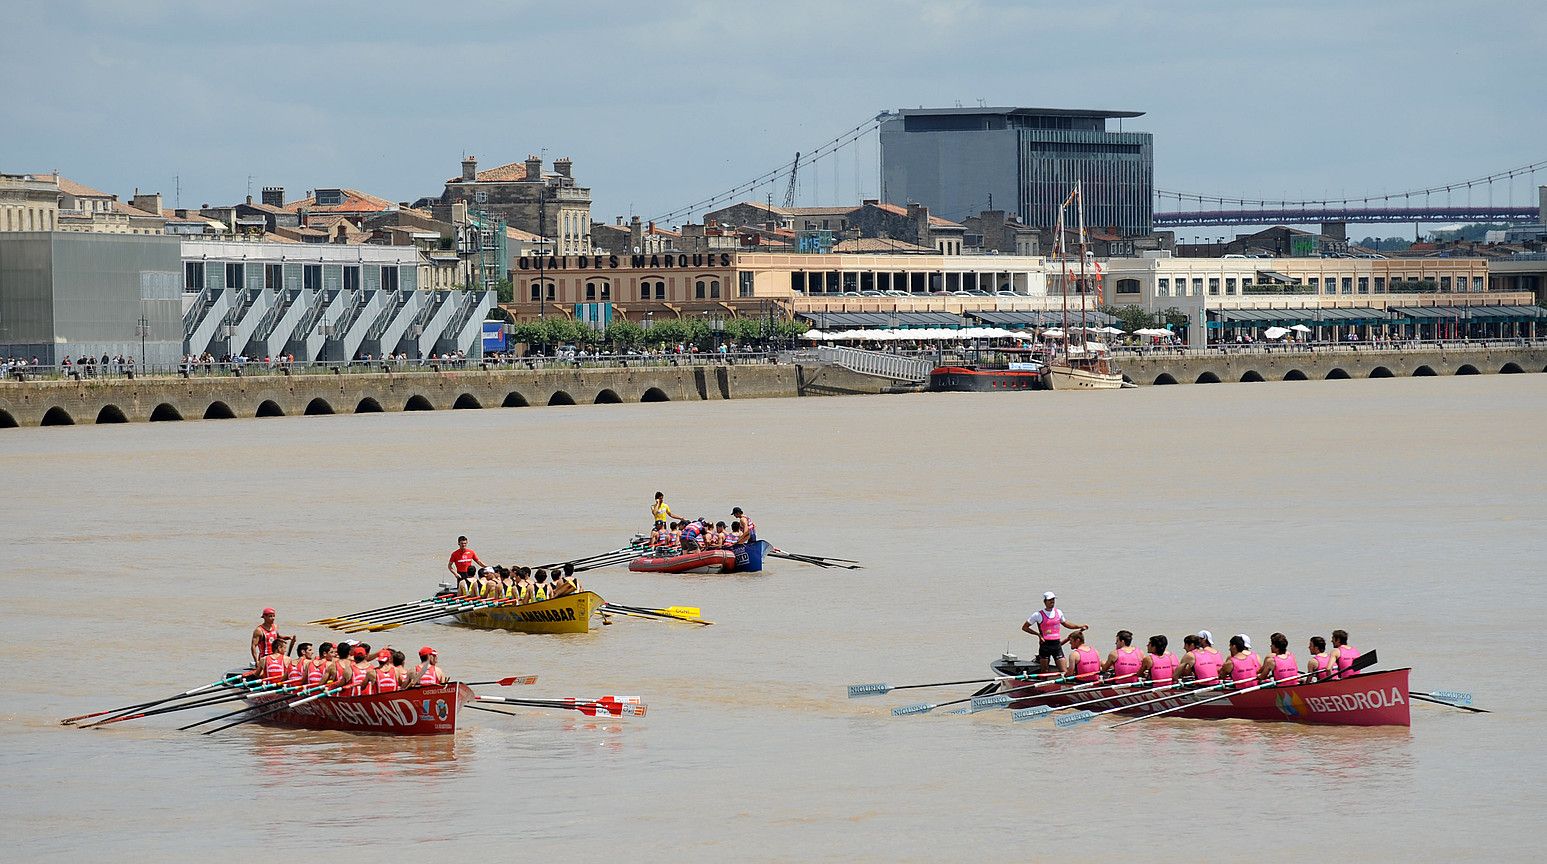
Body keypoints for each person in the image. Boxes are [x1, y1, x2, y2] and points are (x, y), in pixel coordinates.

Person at [1020, 592, 1087, 674]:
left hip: (1056, 646)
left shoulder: (1059, 612)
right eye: (1050, 600)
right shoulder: (1037, 615)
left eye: (1053, 599)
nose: (1052, 601)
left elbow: (1066, 624)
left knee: (1064, 670)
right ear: (1045, 602)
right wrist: (1038, 634)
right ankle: (1044, 685)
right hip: (1045, 645)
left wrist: (1079, 626)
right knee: (1044, 671)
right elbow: (1025, 627)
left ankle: (1063, 685)